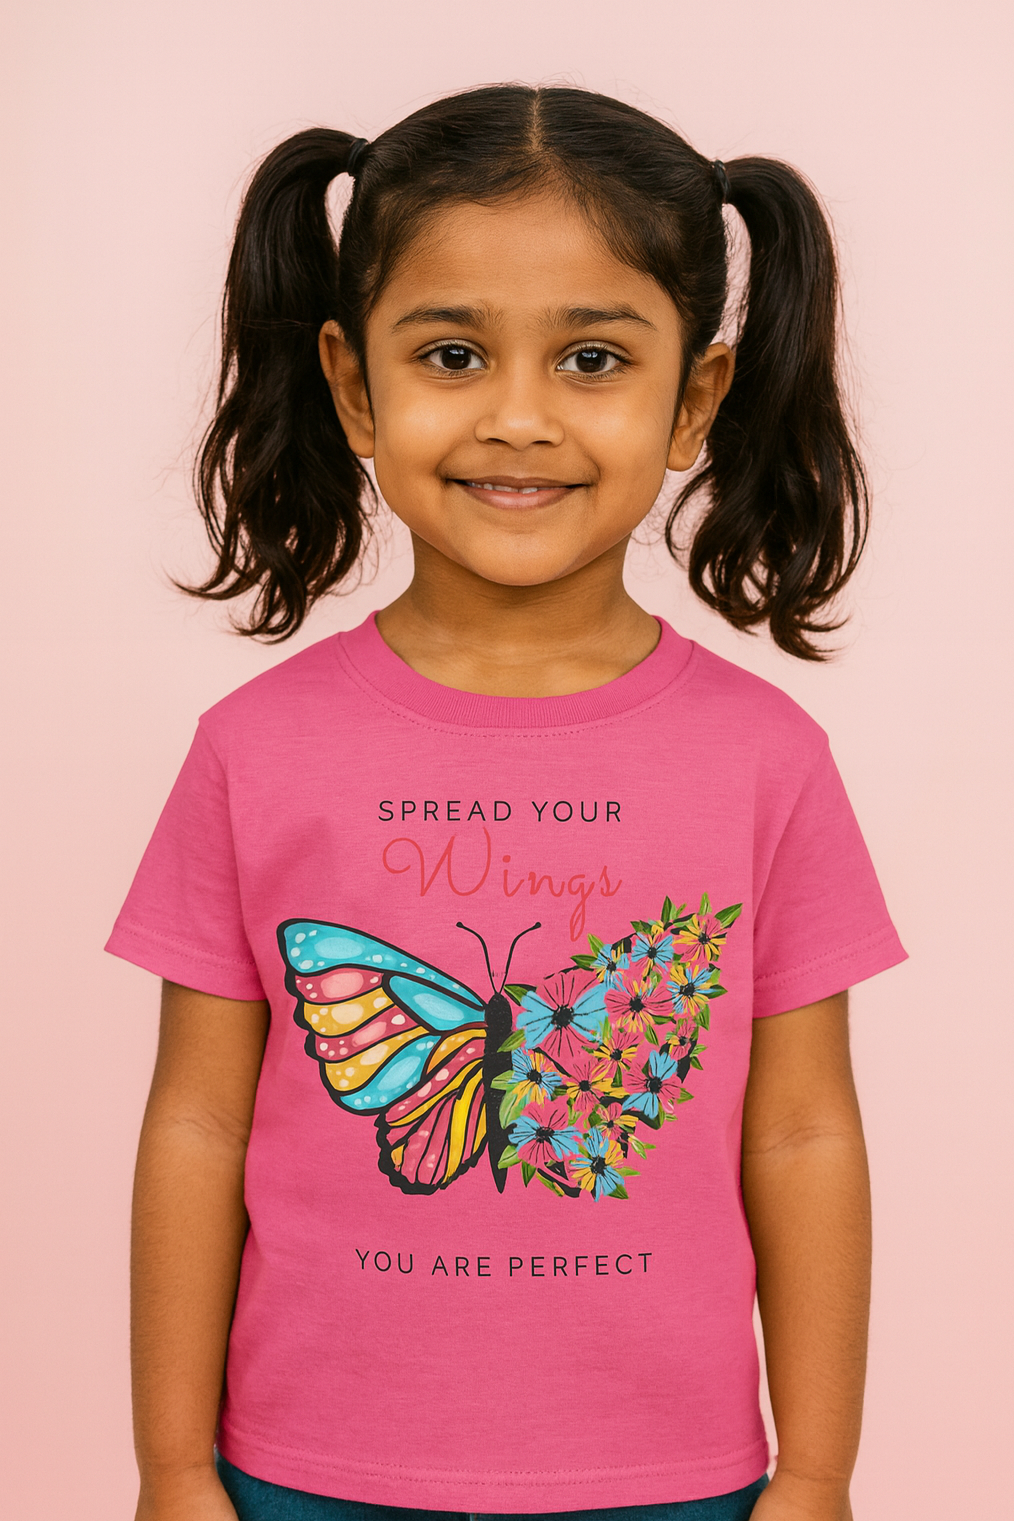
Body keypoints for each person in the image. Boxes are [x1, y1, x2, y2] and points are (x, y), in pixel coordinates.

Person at [108, 84, 906, 1521]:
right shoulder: (255, 746)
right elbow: (197, 1127)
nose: (519, 418)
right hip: (298, 1476)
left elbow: (797, 1133)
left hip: (675, 1485)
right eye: (455, 353)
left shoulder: (763, 757)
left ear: (695, 399)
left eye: (592, 355)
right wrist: (172, 1467)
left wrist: (819, 1472)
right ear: (355, 386)